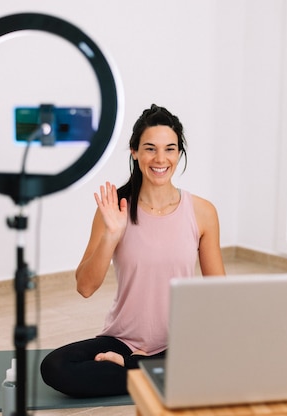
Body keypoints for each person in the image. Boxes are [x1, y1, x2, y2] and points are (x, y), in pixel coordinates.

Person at [40, 104, 226, 397]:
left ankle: (134, 368)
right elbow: (85, 287)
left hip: (180, 342)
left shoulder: (202, 212)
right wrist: (112, 235)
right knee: (55, 367)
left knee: (221, 358)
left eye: (170, 149)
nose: (160, 159)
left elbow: (218, 293)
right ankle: (148, 371)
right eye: (150, 148)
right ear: (134, 151)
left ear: (179, 153)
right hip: (122, 339)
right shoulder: (114, 209)